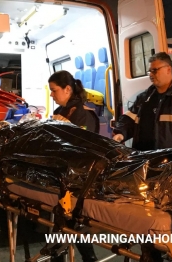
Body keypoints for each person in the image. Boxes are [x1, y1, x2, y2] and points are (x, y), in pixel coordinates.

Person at [48, 70, 99, 262]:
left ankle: (80, 257)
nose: (51, 95)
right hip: (63, 175)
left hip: (79, 177)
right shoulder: (59, 112)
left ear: (67, 89)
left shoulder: (83, 113)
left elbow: (82, 147)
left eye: (54, 90)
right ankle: (86, 258)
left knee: (68, 223)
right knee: (70, 223)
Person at [113, 52, 172, 150]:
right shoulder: (144, 97)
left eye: (155, 70)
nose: (151, 74)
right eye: (149, 71)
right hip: (145, 159)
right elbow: (129, 119)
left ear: (168, 69)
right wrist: (121, 133)